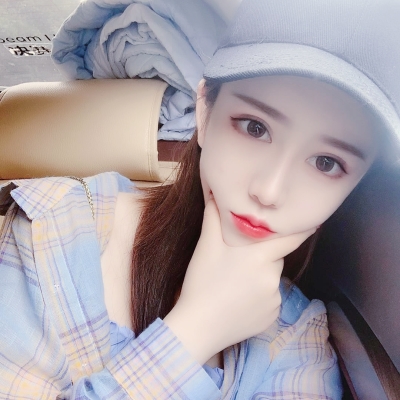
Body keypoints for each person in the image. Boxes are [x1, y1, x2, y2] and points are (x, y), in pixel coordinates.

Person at [1, 0, 399, 398]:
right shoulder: (55, 226)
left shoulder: (299, 339)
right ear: (204, 113)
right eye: (255, 127)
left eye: (327, 163)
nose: (269, 191)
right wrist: (197, 331)